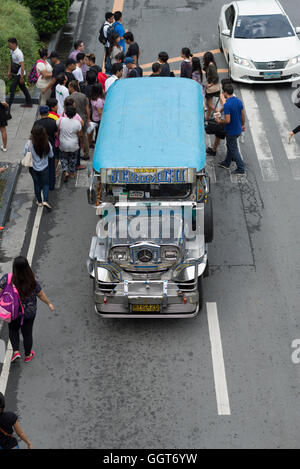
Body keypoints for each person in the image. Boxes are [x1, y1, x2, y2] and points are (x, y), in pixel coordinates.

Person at [0, 257, 54, 366]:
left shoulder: (7, 278)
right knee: (27, 333)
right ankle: (28, 355)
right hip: (29, 312)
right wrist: (49, 303)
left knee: (13, 330)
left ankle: (16, 352)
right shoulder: (31, 280)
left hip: (13, 312)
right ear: (27, 267)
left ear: (14, 267)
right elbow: (40, 294)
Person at [215, 83, 246, 175]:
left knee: (234, 149)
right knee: (230, 146)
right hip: (238, 129)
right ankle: (226, 163)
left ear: (225, 93)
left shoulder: (228, 104)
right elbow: (243, 115)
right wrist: (243, 124)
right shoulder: (238, 101)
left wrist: (219, 121)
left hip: (231, 131)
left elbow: (227, 120)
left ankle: (241, 168)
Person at [25, 126, 54, 209]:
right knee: (45, 184)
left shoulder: (29, 143)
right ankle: (45, 200)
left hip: (33, 168)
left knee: (36, 184)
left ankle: (39, 201)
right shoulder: (46, 143)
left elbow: (25, 153)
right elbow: (51, 155)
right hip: (44, 167)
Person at [33, 106, 57, 190]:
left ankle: (41, 185)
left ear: (40, 113)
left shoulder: (37, 123)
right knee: (51, 166)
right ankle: (51, 185)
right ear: (48, 113)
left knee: (40, 166)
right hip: (51, 147)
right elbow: (56, 134)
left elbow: (33, 134)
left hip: (39, 147)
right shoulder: (53, 122)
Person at [207, 78, 232, 157]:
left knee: (220, 135)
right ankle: (230, 153)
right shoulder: (232, 95)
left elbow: (225, 105)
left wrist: (219, 112)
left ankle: (214, 151)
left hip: (223, 119)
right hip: (227, 119)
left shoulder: (223, 95)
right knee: (221, 137)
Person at [57, 105, 82, 181]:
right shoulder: (77, 123)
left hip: (63, 144)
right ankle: (72, 173)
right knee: (73, 159)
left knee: (63, 158)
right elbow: (80, 134)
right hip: (73, 144)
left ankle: (65, 170)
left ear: (66, 113)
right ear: (75, 114)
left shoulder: (60, 120)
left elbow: (58, 128)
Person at [7, 38, 32, 109]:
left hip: (20, 74)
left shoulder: (19, 53)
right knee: (23, 88)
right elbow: (11, 62)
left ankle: (8, 106)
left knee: (12, 88)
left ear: (14, 44)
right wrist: (9, 72)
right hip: (16, 73)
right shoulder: (11, 51)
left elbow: (22, 66)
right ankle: (29, 102)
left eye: (10, 44)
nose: (9, 46)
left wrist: (21, 77)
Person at [68, 81, 90, 160]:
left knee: (75, 136)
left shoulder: (69, 98)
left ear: (72, 88)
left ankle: (75, 154)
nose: (68, 89)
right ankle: (86, 154)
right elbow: (87, 109)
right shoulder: (83, 96)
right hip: (83, 118)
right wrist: (88, 119)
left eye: (69, 87)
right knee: (84, 136)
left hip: (73, 119)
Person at [203, 51, 221, 120]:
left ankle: (218, 113)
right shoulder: (211, 64)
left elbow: (216, 77)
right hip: (211, 87)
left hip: (211, 88)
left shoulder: (211, 66)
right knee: (209, 105)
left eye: (204, 58)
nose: (203, 59)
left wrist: (210, 84)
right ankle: (207, 118)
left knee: (209, 105)